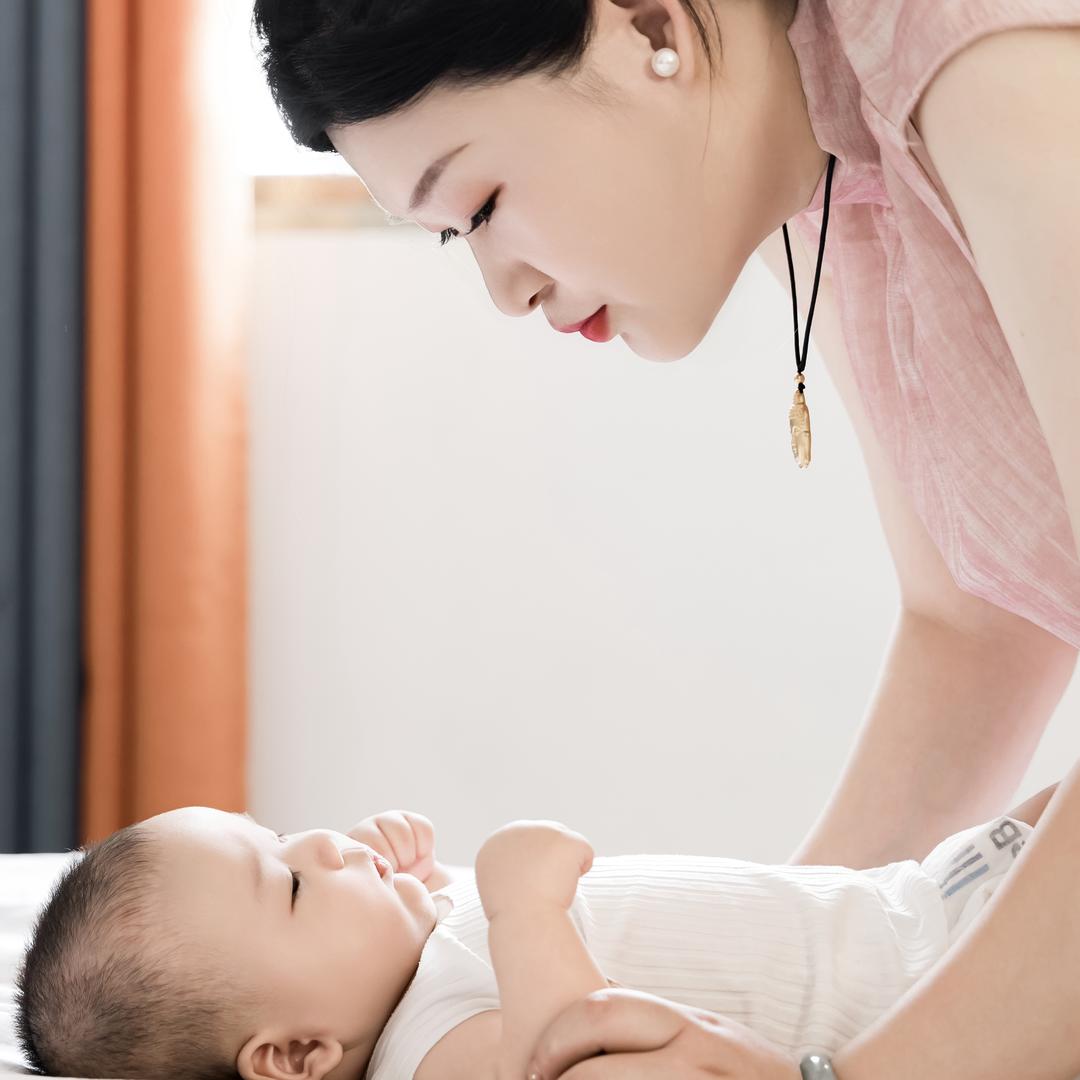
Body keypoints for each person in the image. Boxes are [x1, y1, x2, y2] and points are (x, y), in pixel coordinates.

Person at [250, 0, 1080, 1075]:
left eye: (483, 202)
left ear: (652, 30)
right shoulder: (810, 149)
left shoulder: (981, 57)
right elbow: (976, 627)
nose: (505, 292)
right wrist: (758, 983)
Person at [12, 791, 1055, 1080]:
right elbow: (569, 1056)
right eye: (287, 884)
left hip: (929, 900)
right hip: (950, 981)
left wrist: (416, 893)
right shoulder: (431, 1055)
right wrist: (522, 905)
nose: (323, 844)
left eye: (282, 834)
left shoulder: (413, 980)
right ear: (294, 1055)